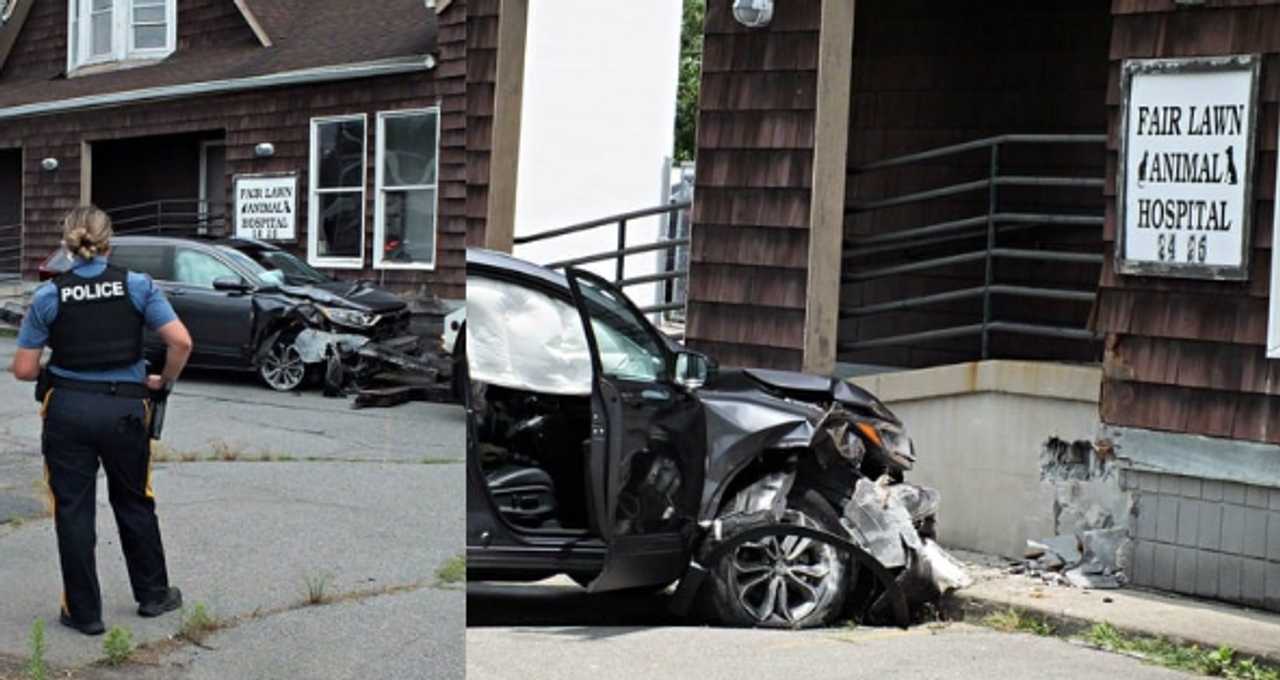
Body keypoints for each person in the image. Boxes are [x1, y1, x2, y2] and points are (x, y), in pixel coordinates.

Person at [8, 206, 193, 636]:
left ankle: (84, 613)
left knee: (73, 510)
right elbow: (181, 342)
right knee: (134, 500)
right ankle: (153, 595)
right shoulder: (136, 285)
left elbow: (23, 369)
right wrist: (161, 381)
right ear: (109, 241)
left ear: (67, 245)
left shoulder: (50, 296)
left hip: (68, 410)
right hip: (125, 409)